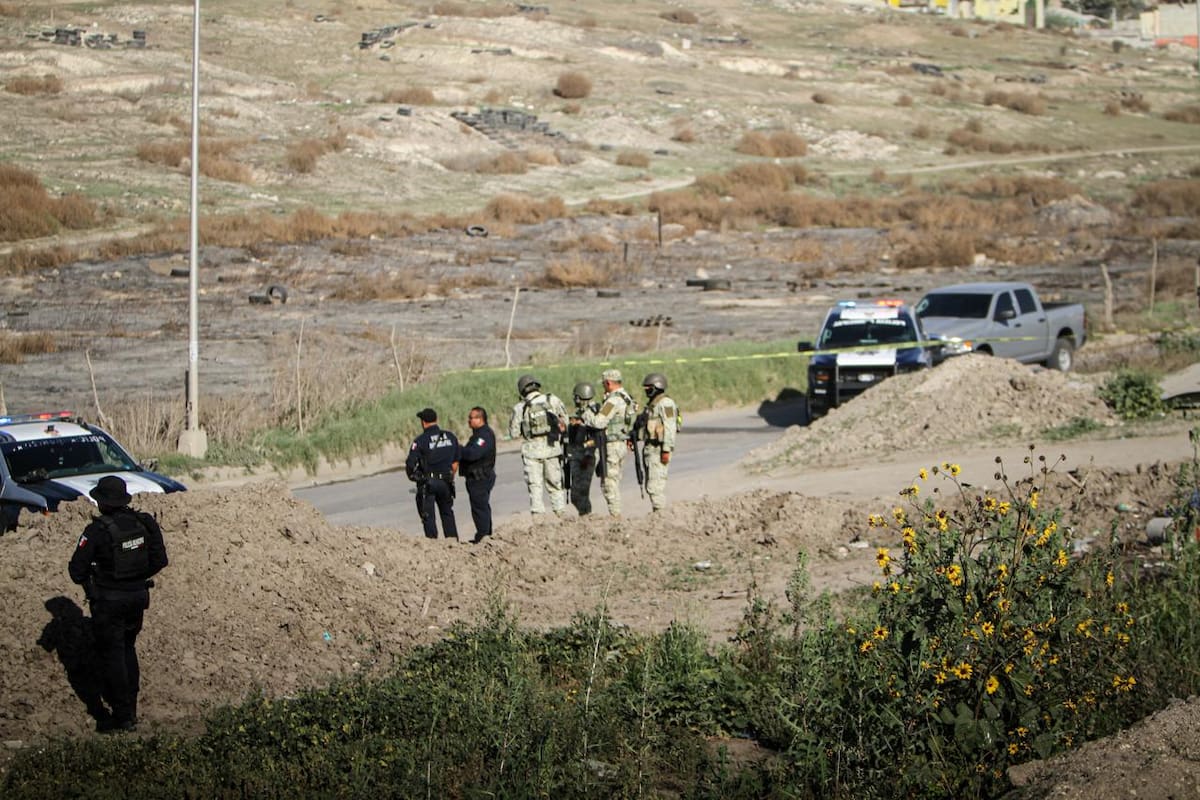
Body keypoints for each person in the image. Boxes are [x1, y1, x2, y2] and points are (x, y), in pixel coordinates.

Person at [67, 475, 168, 733]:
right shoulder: (144, 523)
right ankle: (130, 709)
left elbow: (76, 571)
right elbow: (159, 560)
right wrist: (136, 578)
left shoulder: (97, 531)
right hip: (137, 598)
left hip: (109, 602)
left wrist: (101, 581)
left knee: (113, 655)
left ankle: (122, 716)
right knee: (128, 648)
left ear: (101, 502)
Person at [508, 374, 568, 517]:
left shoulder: (520, 407)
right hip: (552, 448)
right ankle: (561, 515)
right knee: (555, 485)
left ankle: (539, 521)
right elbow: (565, 421)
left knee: (535, 487)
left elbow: (514, 433)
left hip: (531, 452)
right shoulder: (552, 400)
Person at [580, 368, 637, 517]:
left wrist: (586, 414)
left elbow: (599, 422)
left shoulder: (613, 400)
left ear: (608, 383)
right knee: (614, 480)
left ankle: (616, 516)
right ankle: (616, 515)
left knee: (609, 484)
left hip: (612, 445)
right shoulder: (627, 398)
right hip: (622, 444)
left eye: (604, 384)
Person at [405, 408, 460, 539]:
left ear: (423, 422)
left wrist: (413, 477)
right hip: (446, 482)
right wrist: (450, 475)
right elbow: (456, 461)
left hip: (428, 483)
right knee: (447, 514)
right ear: (436, 420)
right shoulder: (450, 436)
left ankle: (434, 547)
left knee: (428, 516)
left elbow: (410, 464)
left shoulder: (420, 441)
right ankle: (453, 543)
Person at [636, 372, 679, 512]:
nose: (646, 391)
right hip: (650, 450)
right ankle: (658, 513)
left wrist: (666, 449)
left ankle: (661, 515)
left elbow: (670, 426)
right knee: (651, 486)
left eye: (649, 388)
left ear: (656, 387)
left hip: (659, 450)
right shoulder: (652, 405)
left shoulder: (666, 403)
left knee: (655, 487)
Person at [458, 406, 496, 543]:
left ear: (480, 419)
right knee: (481, 507)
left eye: (471, 417)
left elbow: (473, 454)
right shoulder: (477, 435)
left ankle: (483, 535)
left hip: (480, 477)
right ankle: (486, 534)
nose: (469, 420)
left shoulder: (484, 435)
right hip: (476, 477)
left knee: (480, 508)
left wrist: (459, 450)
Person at [565, 382, 602, 516]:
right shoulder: (582, 413)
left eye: (576, 397)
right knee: (577, 493)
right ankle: (585, 516)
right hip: (578, 455)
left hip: (587, 456)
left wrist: (587, 453)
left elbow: (595, 436)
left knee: (580, 493)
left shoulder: (592, 413)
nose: (575, 400)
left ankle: (587, 516)